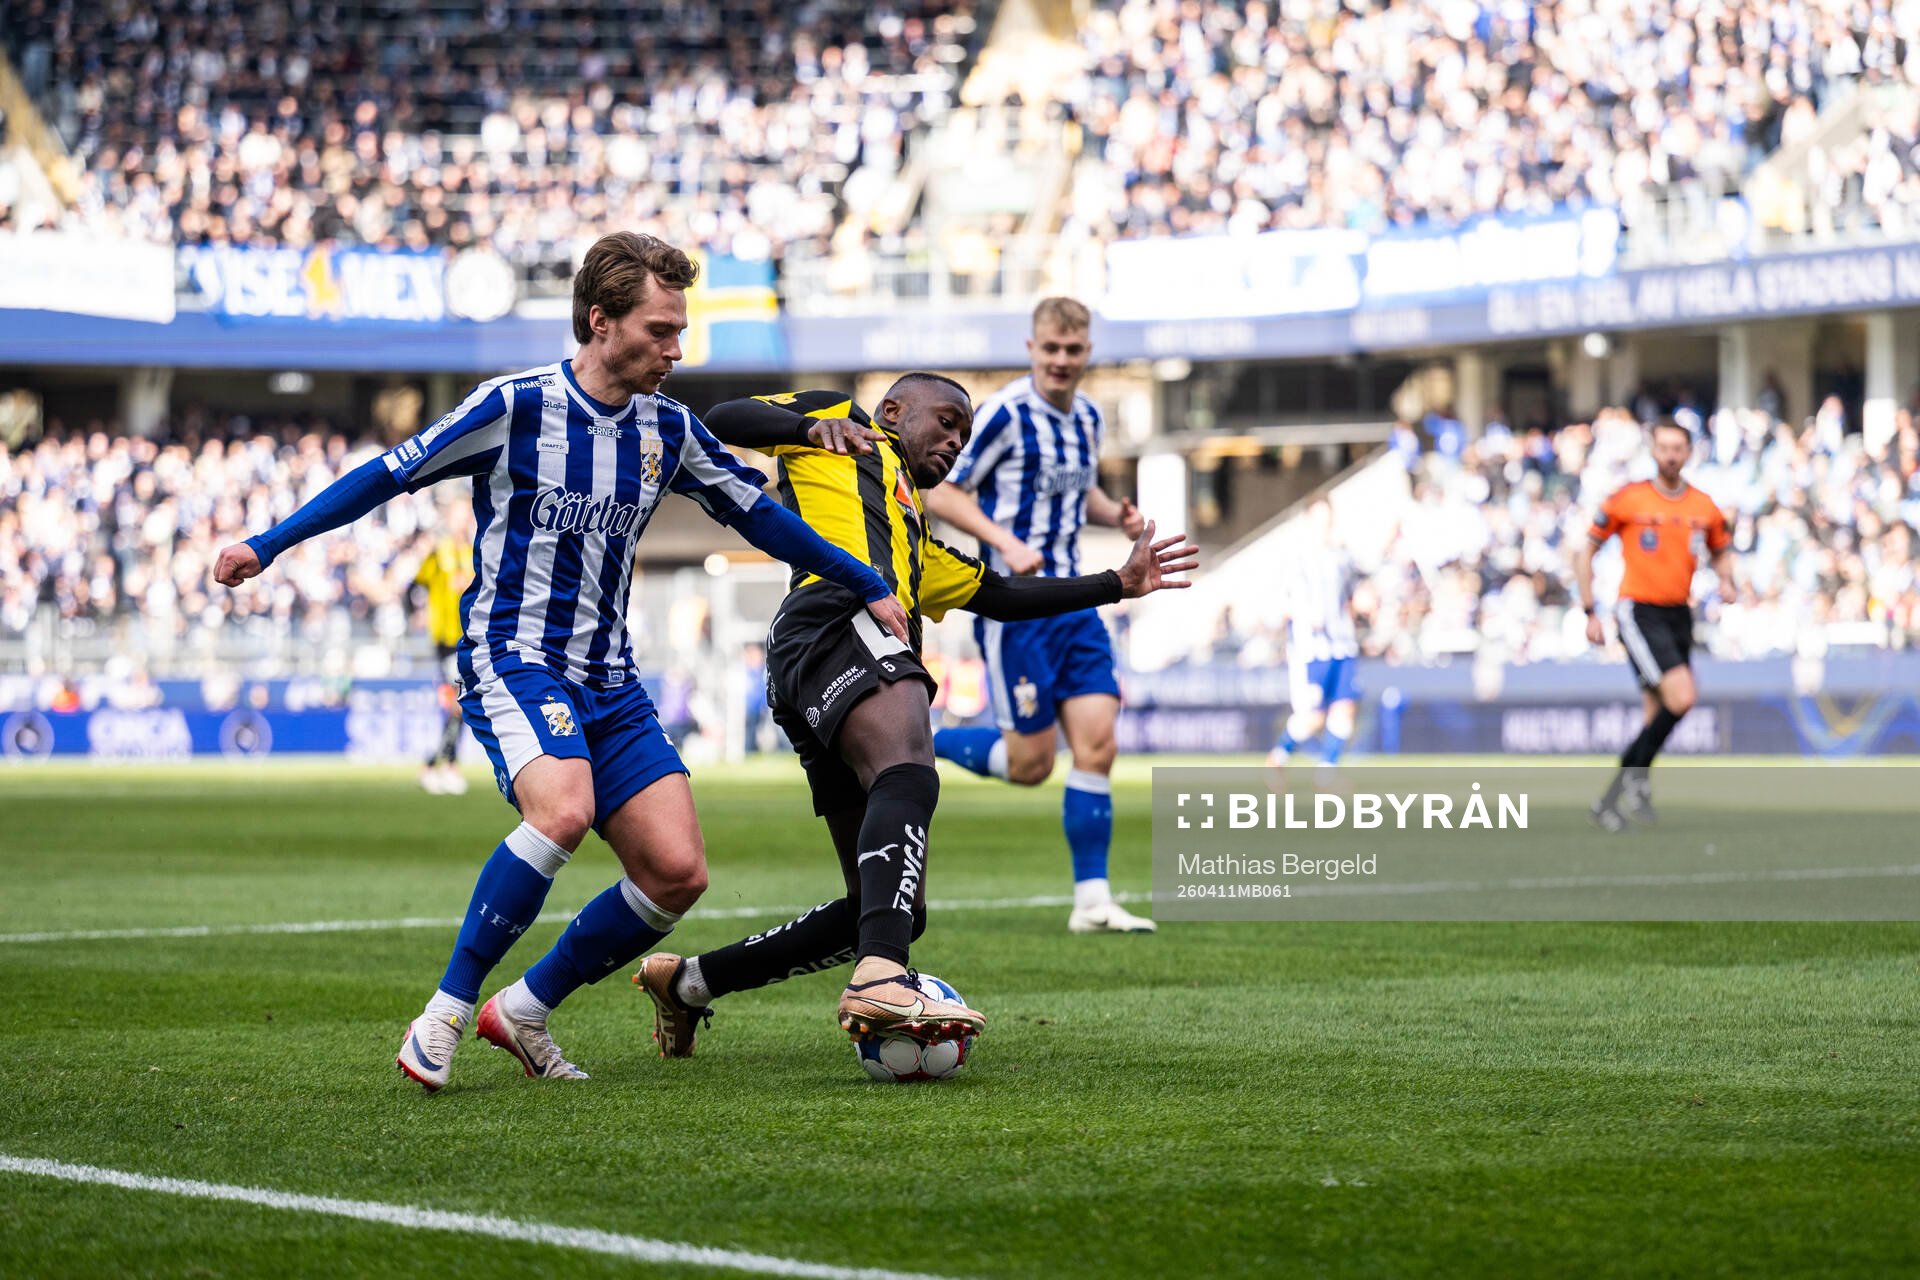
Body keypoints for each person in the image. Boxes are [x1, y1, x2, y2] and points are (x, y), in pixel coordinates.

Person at [214, 232, 909, 1091]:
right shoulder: (514, 407)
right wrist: (269, 542)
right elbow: (388, 475)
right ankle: (448, 1009)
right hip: (514, 657)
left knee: (676, 871)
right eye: (659, 330)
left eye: (679, 330)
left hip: (610, 679)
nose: (675, 350)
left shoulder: (669, 430)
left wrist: (862, 578)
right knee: (563, 810)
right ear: (600, 320)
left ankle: (528, 1008)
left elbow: (759, 519)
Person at [631, 378, 1196, 1055]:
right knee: (909, 767)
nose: (956, 440)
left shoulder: (916, 534)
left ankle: (690, 983)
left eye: (965, 432)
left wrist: (1117, 584)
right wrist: (810, 431)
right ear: (894, 411)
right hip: (835, 616)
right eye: (948, 421)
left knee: (891, 910)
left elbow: (999, 592)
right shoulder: (839, 422)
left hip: (816, 663)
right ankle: (880, 981)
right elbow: (723, 414)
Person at [919, 298, 1157, 934]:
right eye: (1050, 349)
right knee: (1031, 766)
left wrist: (1117, 515)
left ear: (1086, 354)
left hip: (1078, 597)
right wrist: (1002, 540)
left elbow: (1080, 493)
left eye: (1072, 350)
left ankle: (1093, 901)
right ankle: (926, 739)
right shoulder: (1002, 414)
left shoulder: (1087, 417)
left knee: (1098, 744)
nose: (1061, 360)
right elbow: (939, 486)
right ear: (1031, 348)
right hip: (1016, 605)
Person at [1573, 419, 1735, 830]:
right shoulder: (1629, 499)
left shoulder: (1703, 505)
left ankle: (1635, 786)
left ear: (1688, 452)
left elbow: (1721, 549)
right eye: (1663, 448)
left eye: (1677, 448)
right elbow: (1586, 550)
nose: (1670, 455)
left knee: (1658, 710)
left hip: (1679, 612)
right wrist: (1590, 610)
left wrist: (1728, 579)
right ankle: (1612, 794)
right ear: (1653, 451)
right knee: (1681, 698)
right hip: (1639, 611)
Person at [1266, 500, 1361, 782]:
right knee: (1313, 717)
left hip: (1342, 643)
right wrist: (1303, 616)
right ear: (1309, 521)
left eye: (1328, 519)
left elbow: (1352, 595)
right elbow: (1280, 603)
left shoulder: (1341, 557)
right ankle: (1278, 757)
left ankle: (1327, 774)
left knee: (1345, 707)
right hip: (1311, 650)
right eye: (1319, 519)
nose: (1324, 526)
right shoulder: (1296, 558)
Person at [412, 507, 474, 795]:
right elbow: (414, 587)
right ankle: (444, 766)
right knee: (458, 703)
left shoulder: (475, 553)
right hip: (446, 640)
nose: (463, 521)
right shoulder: (440, 553)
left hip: (468, 639)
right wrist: (416, 613)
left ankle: (434, 765)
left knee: (459, 705)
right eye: (459, 517)